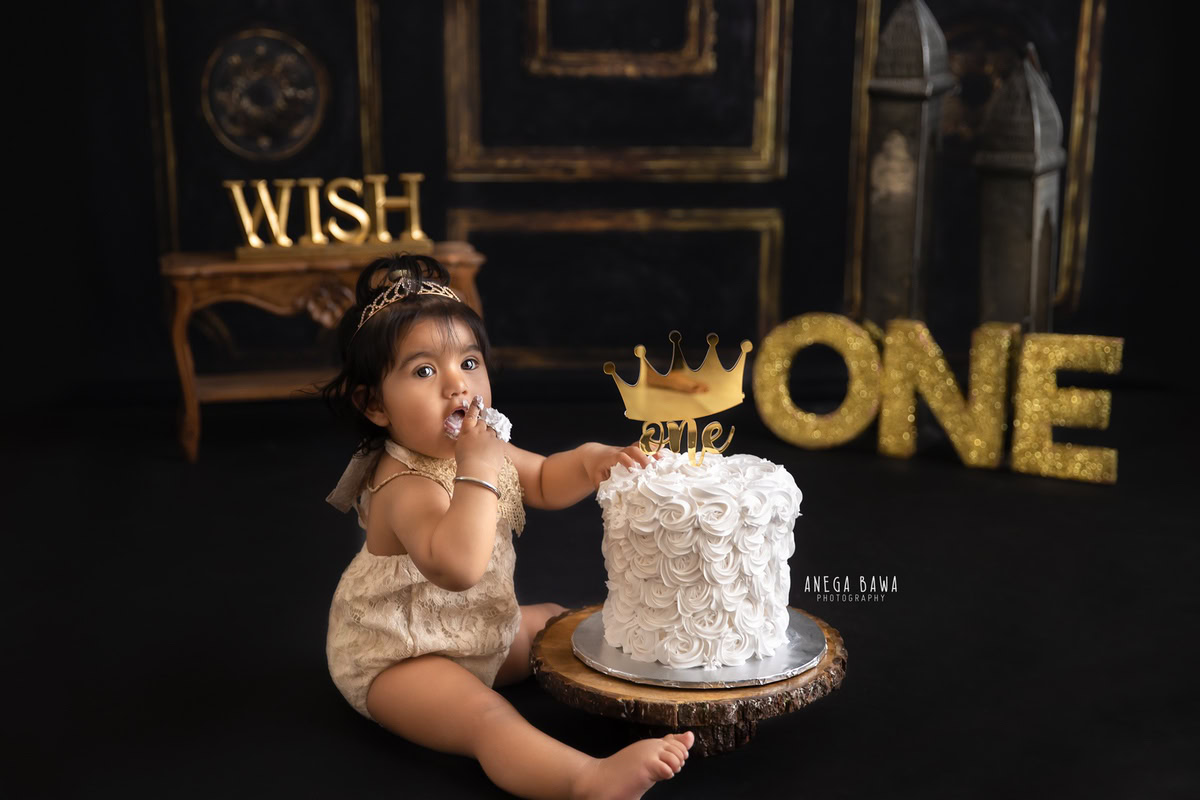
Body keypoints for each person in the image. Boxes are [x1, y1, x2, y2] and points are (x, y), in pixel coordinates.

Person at [320, 254, 693, 799]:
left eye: (469, 362)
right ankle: (586, 780)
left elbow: (541, 478)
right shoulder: (403, 483)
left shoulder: (483, 447)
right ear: (375, 404)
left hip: (477, 631)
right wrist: (477, 467)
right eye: (424, 371)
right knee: (485, 716)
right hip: (399, 655)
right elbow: (458, 568)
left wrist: (591, 460)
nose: (457, 385)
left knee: (563, 625)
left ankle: (642, 696)